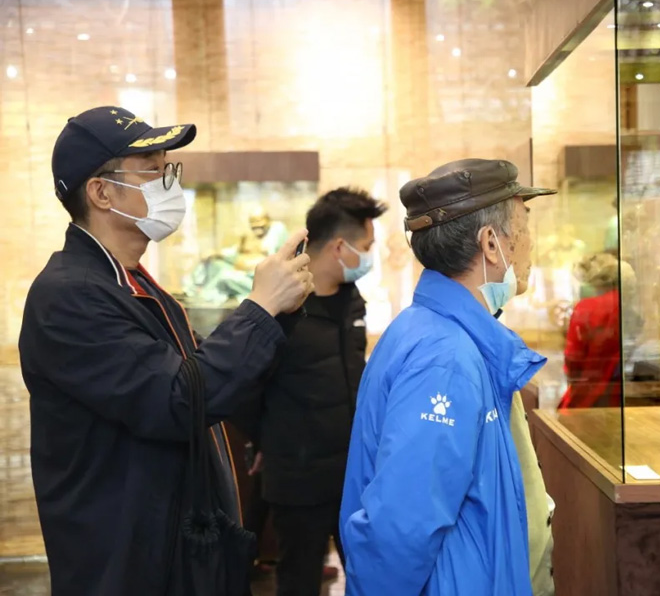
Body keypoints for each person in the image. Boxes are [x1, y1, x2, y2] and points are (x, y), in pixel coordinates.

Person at [18, 106, 314, 596]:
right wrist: (260, 309)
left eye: (167, 169)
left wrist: (279, 313)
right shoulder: (71, 295)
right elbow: (177, 400)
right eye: (152, 171)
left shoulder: (134, 284)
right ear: (101, 193)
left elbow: (203, 377)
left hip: (174, 551)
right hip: (127, 563)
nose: (168, 184)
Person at [340, 159, 555, 595]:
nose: (532, 243)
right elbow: (400, 530)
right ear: (491, 243)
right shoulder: (444, 357)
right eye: (524, 227)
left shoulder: (444, 333)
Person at [249, 188, 386, 596]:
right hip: (297, 478)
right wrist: (264, 439)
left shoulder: (351, 300)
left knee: (367, 576)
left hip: (353, 474)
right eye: (367, 247)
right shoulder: (280, 305)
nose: (370, 256)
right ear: (340, 247)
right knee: (299, 580)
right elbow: (244, 382)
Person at [559, 253, 638, 409]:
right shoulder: (629, 306)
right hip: (628, 392)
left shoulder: (587, 307)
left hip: (591, 392)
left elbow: (573, 357)